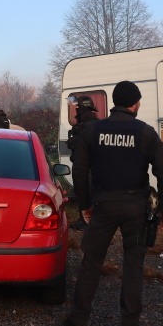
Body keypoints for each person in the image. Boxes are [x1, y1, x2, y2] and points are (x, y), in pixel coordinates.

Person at [62, 80, 163, 326]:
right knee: (133, 266)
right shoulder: (145, 132)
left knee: (91, 262)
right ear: (135, 104)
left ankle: (78, 321)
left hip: (103, 205)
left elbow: (79, 170)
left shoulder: (92, 130)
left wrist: (84, 205)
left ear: (114, 102)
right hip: (136, 207)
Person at [65, 95, 99, 230]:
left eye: (78, 107)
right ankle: (84, 219)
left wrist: (74, 142)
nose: (76, 109)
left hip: (87, 166)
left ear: (83, 107)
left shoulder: (87, 126)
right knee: (83, 192)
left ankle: (87, 221)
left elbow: (85, 146)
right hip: (88, 165)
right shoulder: (90, 123)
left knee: (85, 192)